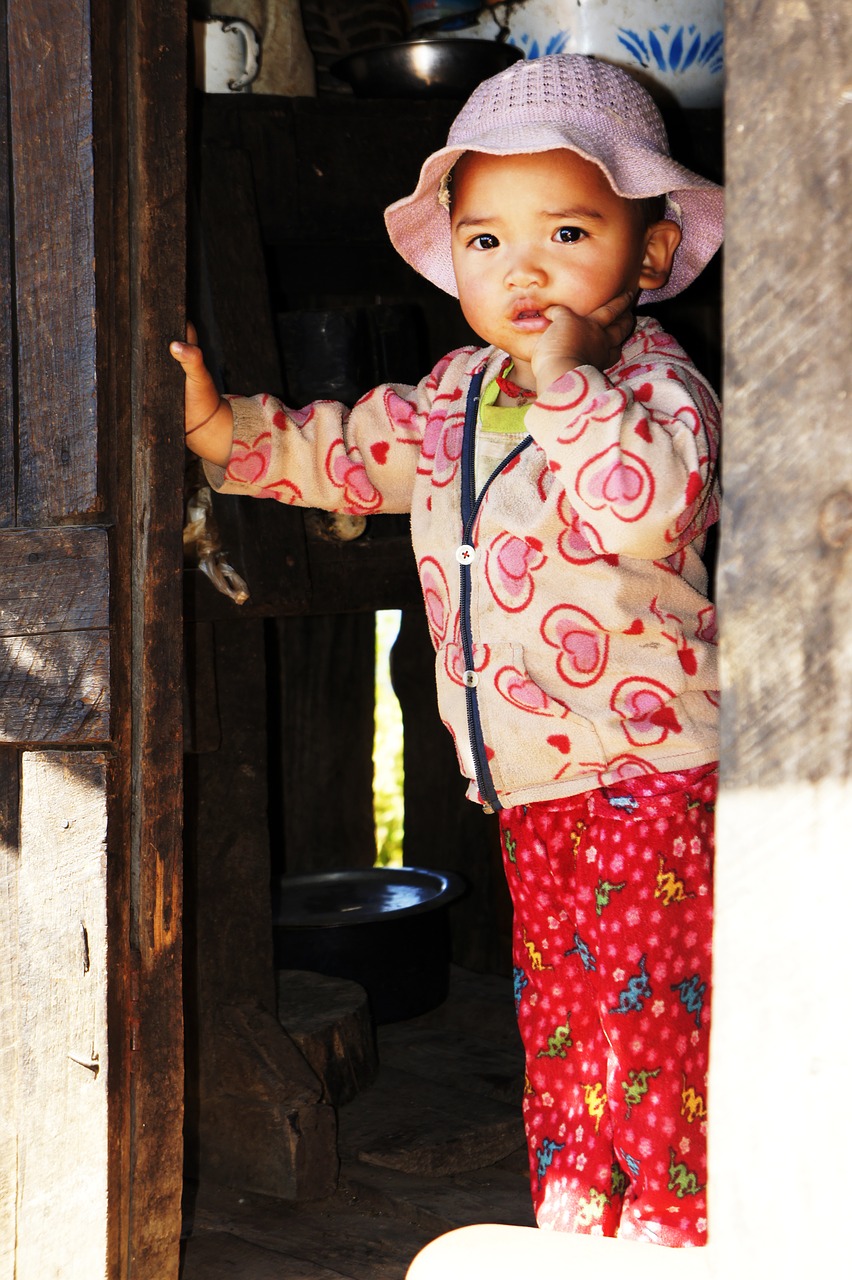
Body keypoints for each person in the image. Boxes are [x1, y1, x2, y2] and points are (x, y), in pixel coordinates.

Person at [171, 53, 723, 1248]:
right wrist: (225, 431)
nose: (522, 268)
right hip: (534, 793)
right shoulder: (452, 395)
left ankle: (678, 1243)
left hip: (653, 779)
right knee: (568, 1035)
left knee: (655, 1043)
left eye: (567, 230)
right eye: (485, 241)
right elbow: (343, 453)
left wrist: (569, 382)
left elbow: (646, 505)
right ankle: (576, 1228)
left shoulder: (658, 385)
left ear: (653, 253)